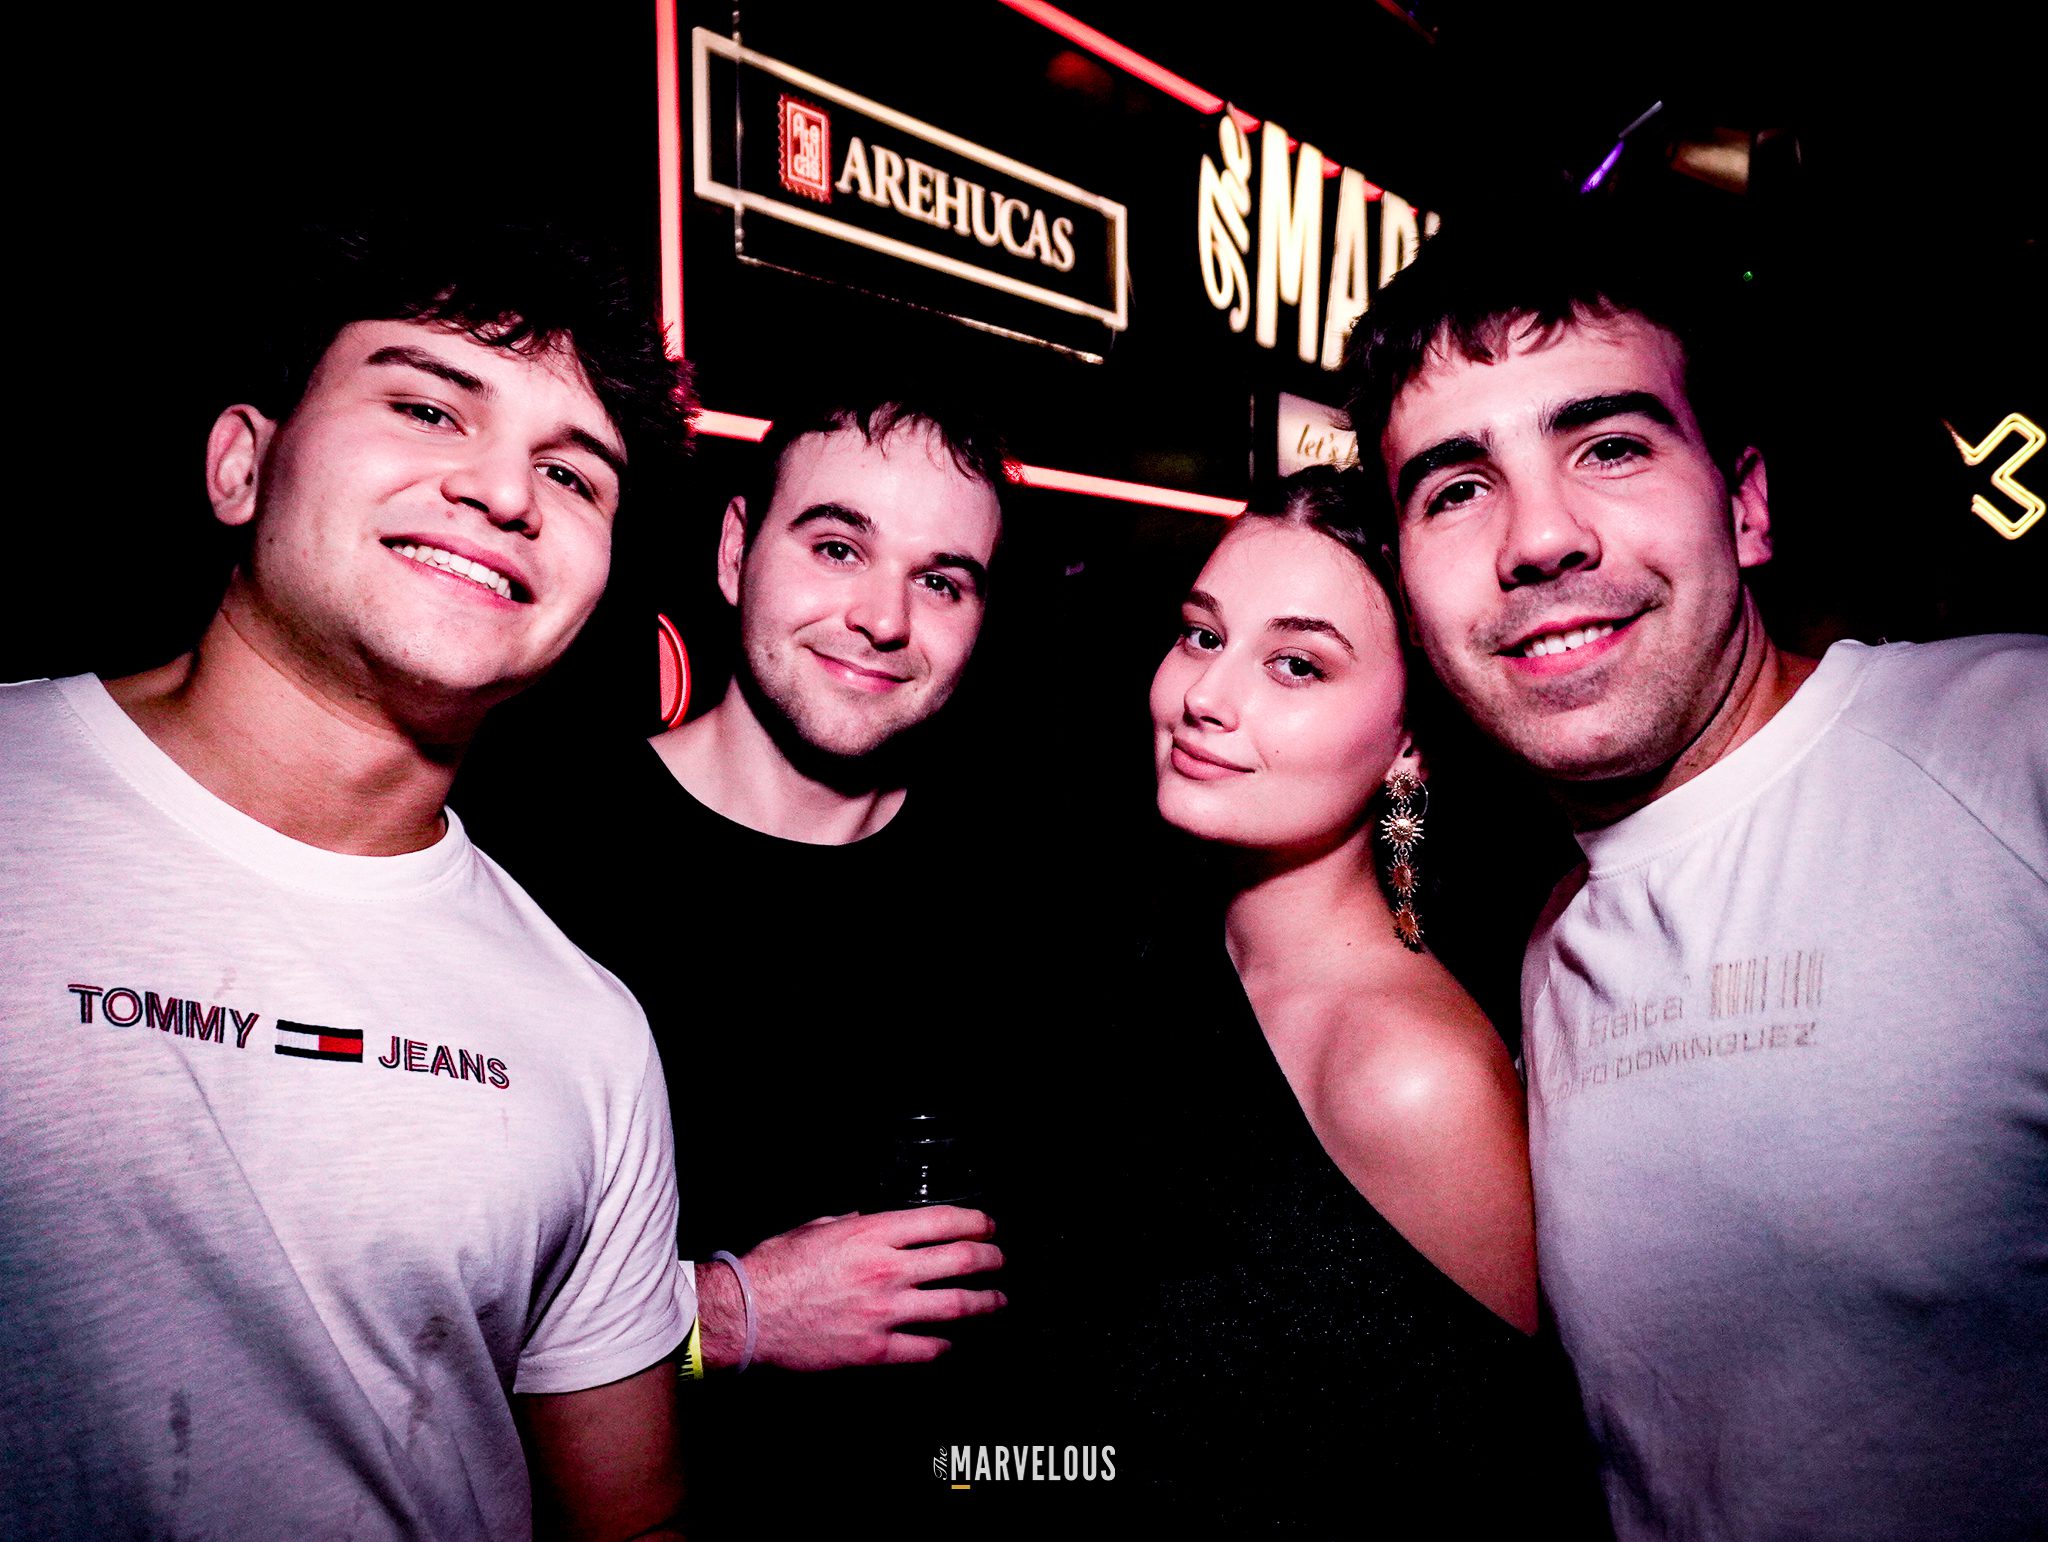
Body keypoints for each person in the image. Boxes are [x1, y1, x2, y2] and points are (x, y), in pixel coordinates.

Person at [1346, 208, 2048, 1540]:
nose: (1538, 539)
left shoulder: (2015, 746)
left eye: (1608, 446)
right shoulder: (1547, 945)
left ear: (1745, 504)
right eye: (1455, 488)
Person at [0, 225, 698, 1541]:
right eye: (427, 406)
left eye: (573, 474)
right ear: (241, 463)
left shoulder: (589, 1031)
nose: (505, 492)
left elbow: (630, 1519)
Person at [461, 387, 1020, 1523]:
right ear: (734, 552)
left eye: (941, 581)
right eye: (836, 546)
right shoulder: (527, 861)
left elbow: (1052, 1385)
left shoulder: (1034, 906)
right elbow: (425, 1351)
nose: (882, 618)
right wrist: (726, 1320)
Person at [1076, 468, 1600, 1532]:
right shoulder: (1152, 957)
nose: (1207, 697)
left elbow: (1499, 1499)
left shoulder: (1412, 1078)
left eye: (1296, 664)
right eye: (1201, 635)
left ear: (1410, 741)